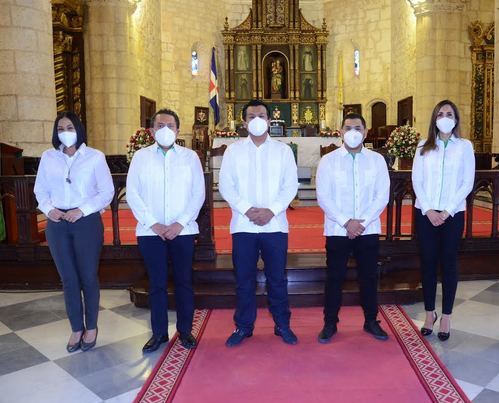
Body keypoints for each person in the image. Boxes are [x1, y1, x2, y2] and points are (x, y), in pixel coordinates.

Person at [219, 99, 299, 347]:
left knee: (277, 278)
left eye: (261, 116)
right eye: (251, 116)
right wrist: (247, 210)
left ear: (268, 120)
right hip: (243, 226)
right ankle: (243, 326)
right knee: (244, 279)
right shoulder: (233, 151)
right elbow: (226, 185)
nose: (256, 120)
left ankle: (282, 325)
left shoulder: (283, 151)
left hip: (275, 226)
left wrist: (271, 211)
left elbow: (290, 185)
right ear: (243, 121)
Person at [126, 108, 206, 353]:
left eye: (170, 125)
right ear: (151, 130)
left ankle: (185, 331)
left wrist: (179, 223)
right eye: (160, 125)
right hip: (151, 233)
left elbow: (198, 194)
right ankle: (159, 333)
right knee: (157, 284)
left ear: (177, 130)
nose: (165, 130)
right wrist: (154, 224)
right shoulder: (140, 157)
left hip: (183, 230)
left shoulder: (190, 157)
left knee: (183, 282)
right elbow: (133, 194)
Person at [34, 111, 114, 352]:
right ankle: (76, 328)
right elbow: (40, 191)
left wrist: (82, 210)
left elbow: (107, 192)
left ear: (79, 129)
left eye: (69, 127)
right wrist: (49, 210)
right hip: (57, 223)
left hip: (86, 222)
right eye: (60, 129)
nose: (65, 132)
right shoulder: (48, 157)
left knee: (88, 277)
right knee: (68, 279)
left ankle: (91, 327)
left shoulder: (95, 157)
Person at [316, 113, 391, 343]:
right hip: (338, 230)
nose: (352, 132)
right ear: (340, 132)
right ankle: (330, 323)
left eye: (357, 127)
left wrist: (362, 222)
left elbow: (382, 195)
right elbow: (323, 196)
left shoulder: (377, 160)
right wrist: (346, 222)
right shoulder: (328, 161)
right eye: (348, 128)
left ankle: (371, 321)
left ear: (366, 132)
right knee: (335, 278)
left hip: (368, 230)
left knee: (368, 277)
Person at [412, 100, 475, 341]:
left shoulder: (464, 147)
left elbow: (467, 183)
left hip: (453, 214)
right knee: (428, 263)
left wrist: (447, 211)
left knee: (449, 264)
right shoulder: (423, 146)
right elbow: (417, 180)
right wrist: (428, 210)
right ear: (434, 119)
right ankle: (430, 314)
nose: (445, 117)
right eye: (440, 113)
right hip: (425, 213)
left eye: (449, 113)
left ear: (456, 118)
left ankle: (446, 315)